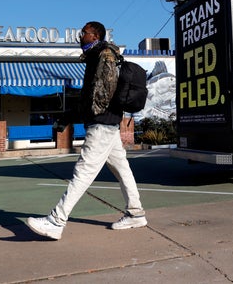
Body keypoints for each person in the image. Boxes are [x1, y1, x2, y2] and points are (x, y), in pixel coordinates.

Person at [27, 21, 147, 240]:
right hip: (107, 123)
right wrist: (69, 117)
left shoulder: (103, 55)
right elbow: (92, 96)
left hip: (101, 125)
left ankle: (56, 220)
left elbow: (100, 93)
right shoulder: (99, 55)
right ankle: (136, 213)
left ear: (95, 36)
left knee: (83, 171)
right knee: (123, 169)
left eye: (84, 33)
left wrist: (90, 115)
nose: (79, 36)